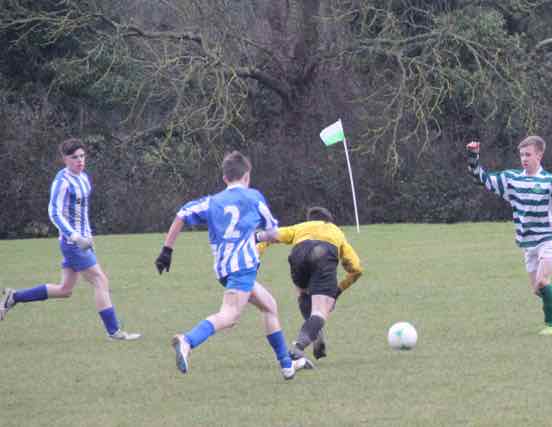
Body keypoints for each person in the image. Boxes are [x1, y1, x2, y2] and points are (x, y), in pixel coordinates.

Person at [155, 150, 308, 379]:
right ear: (247, 176)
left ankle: (287, 366)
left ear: (225, 178)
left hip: (224, 269)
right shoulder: (254, 197)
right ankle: (187, 340)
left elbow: (182, 214)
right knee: (229, 316)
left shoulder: (212, 202)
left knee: (269, 306)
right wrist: (260, 236)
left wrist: (167, 251)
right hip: (242, 268)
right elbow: (273, 232)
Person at [0, 138, 141, 341]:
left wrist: (88, 236)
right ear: (65, 159)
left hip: (82, 242)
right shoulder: (62, 182)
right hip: (72, 244)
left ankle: (14, 297)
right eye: (75, 157)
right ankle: (114, 332)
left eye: (82, 156)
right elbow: (54, 213)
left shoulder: (84, 178)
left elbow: (82, 213)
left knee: (65, 290)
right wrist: (75, 237)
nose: (80, 160)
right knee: (100, 280)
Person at [466, 136, 552, 335]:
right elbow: (482, 179)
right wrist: (473, 156)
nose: (524, 158)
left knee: (542, 282)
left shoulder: (550, 181)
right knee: (538, 290)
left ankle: (551, 325)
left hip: (549, 238)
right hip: (528, 243)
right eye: (522, 155)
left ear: (539, 156)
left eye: (528, 155)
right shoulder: (512, 179)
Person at [257, 206, 363, 361]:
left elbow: (269, 236)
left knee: (303, 293)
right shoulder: (336, 231)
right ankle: (299, 345)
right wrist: (338, 290)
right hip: (324, 253)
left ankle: (315, 332)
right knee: (320, 311)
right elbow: (356, 268)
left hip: (299, 255)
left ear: (309, 220)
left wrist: (257, 253)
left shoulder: (300, 227)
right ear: (329, 221)